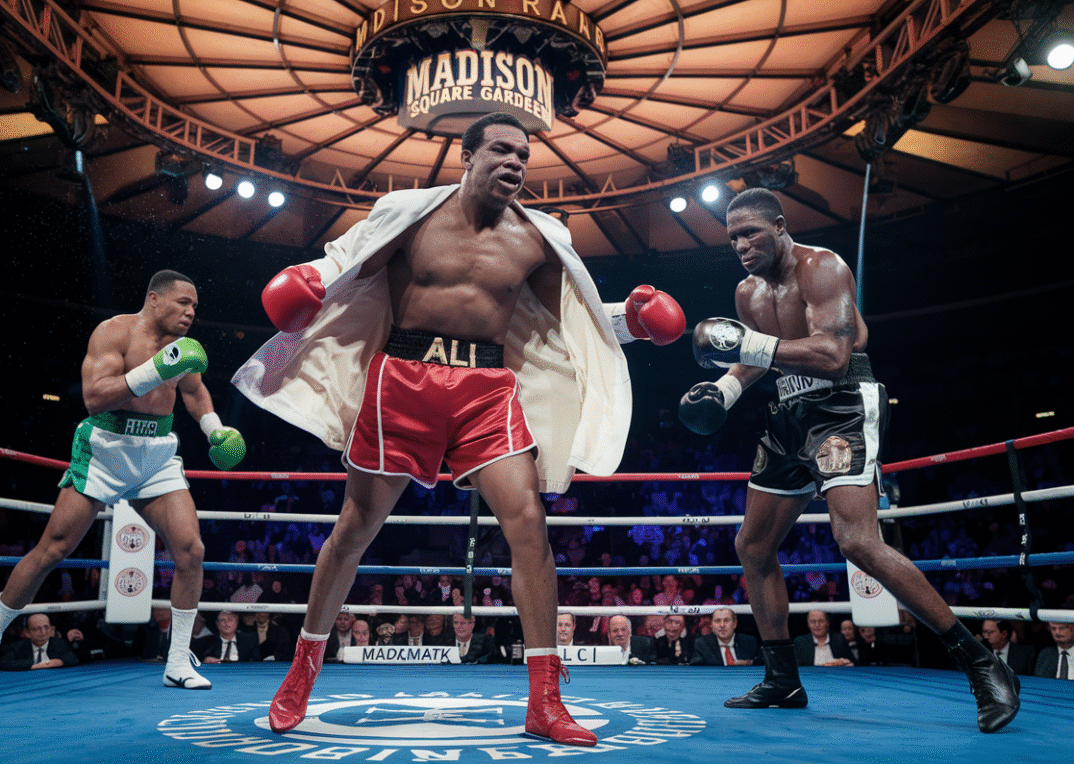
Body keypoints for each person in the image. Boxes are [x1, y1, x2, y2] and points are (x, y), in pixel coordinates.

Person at [233, 112, 686, 747]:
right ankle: (302, 672)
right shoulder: (408, 212)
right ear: (466, 156)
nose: (515, 164)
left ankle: (546, 702)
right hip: (404, 379)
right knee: (354, 528)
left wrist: (633, 322)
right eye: (501, 150)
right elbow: (344, 263)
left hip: (487, 388)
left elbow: (574, 322)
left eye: (524, 156)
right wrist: (308, 282)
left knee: (528, 525)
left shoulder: (541, 237)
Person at [677, 188, 1020, 732]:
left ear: (780, 226)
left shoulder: (823, 268)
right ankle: (782, 677)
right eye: (733, 237)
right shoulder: (746, 293)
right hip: (787, 412)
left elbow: (836, 355)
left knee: (857, 540)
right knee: (753, 544)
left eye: (751, 233)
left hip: (840, 407)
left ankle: (981, 662)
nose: (741, 245)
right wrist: (723, 390)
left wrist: (744, 348)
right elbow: (756, 360)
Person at [0, 270, 246, 701]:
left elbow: (194, 391)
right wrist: (153, 370)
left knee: (191, 550)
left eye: (195, 307)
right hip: (106, 447)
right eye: (183, 303)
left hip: (156, 452)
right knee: (53, 548)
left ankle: (178, 661)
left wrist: (214, 428)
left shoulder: (182, 349)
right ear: (154, 298)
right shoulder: (113, 333)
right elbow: (95, 397)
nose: (191, 313)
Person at [0, 614, 79, 670]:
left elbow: (73, 658)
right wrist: (36, 665)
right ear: (27, 633)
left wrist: (60, 662)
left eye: (46, 627)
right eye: (36, 629)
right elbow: (3, 663)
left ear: (51, 629)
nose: (43, 632)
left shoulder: (58, 643)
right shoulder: (17, 647)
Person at [690, 607, 759, 666]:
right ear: (711, 625)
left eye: (727, 620)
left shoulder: (749, 641)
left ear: (734, 623)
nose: (722, 625)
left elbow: (762, 661)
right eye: (717, 621)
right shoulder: (702, 644)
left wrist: (749, 662)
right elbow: (696, 666)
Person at [193, 610, 259, 663]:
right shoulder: (206, 642)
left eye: (230, 620)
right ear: (217, 623)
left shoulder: (250, 640)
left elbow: (256, 662)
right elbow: (195, 661)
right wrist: (204, 661)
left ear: (237, 622)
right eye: (222, 620)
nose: (226, 623)